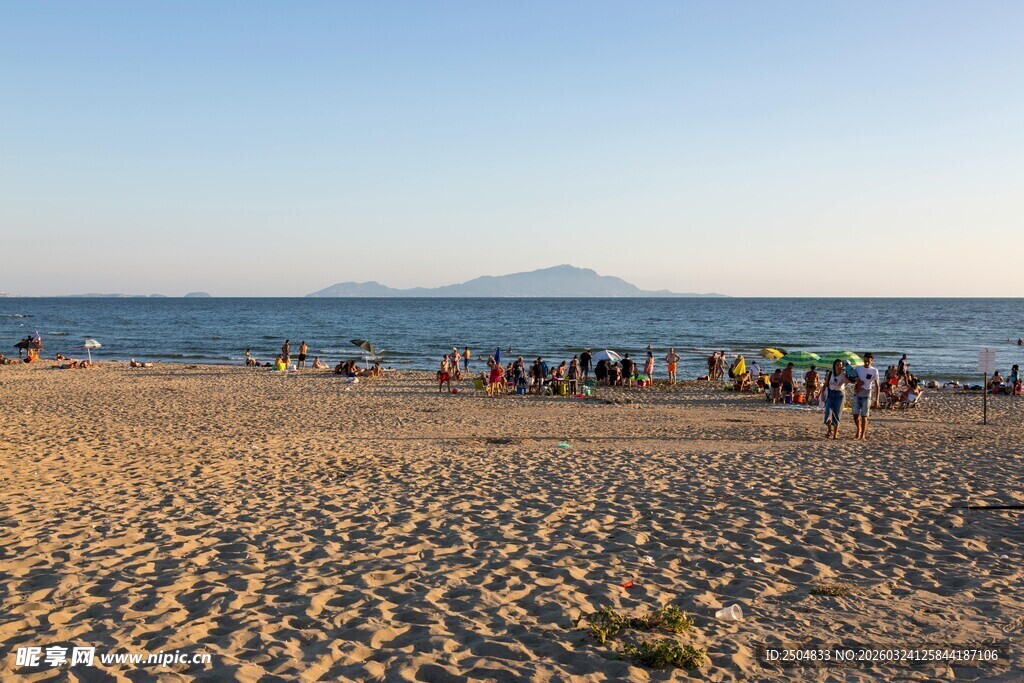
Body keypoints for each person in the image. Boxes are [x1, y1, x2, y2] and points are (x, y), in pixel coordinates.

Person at [852, 353, 881, 440]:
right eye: (865, 361)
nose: (866, 363)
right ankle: (858, 428)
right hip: (857, 393)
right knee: (855, 415)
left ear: (872, 361)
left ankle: (862, 435)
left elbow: (877, 386)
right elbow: (853, 379)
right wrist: (857, 382)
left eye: (868, 361)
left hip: (867, 394)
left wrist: (877, 400)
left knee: (864, 416)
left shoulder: (874, 371)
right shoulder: (858, 368)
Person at [822, 359, 848, 439]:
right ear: (834, 366)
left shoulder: (843, 375)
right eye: (837, 365)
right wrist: (822, 394)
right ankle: (829, 430)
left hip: (839, 395)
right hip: (830, 394)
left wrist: (844, 373)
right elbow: (825, 384)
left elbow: (847, 382)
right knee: (827, 415)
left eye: (840, 365)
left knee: (836, 415)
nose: (839, 367)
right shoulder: (830, 374)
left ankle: (835, 434)